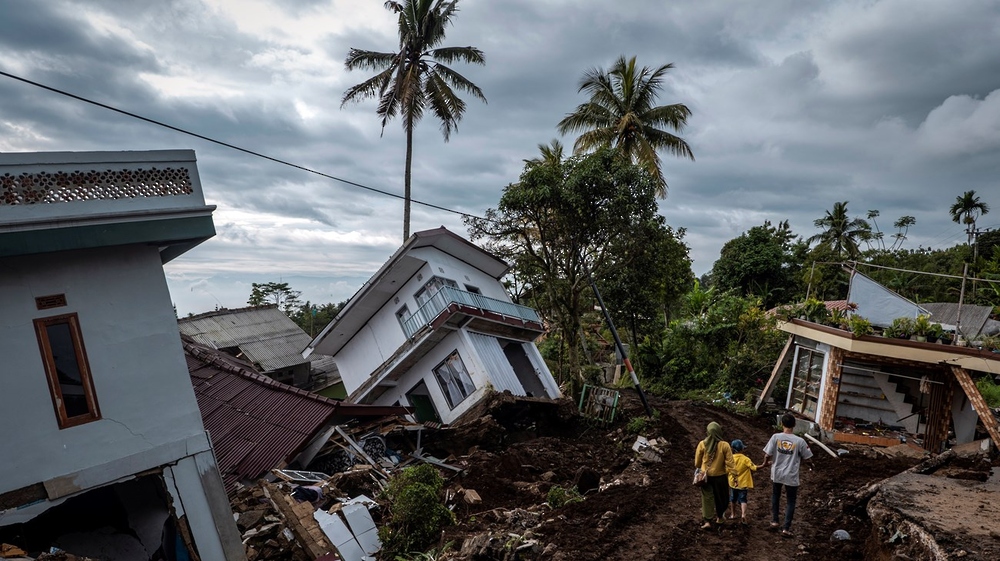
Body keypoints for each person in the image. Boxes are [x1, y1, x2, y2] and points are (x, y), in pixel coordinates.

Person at [762, 413, 814, 537]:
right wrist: (812, 465)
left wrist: (765, 463)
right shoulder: (800, 441)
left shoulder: (775, 437)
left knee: (776, 495)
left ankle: (774, 521)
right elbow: (808, 457)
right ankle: (786, 528)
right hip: (791, 475)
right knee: (791, 501)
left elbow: (767, 454)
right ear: (795, 425)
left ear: (782, 424)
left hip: (777, 473)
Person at [694, 421, 735, 529]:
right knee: (722, 498)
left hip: (705, 477)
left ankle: (707, 521)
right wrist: (734, 476)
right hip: (720, 477)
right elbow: (730, 463)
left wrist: (703, 467)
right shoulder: (724, 445)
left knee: (707, 498)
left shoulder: (702, 444)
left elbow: (697, 463)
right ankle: (720, 517)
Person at [726, 439, 761, 524]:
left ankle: (733, 514)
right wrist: (764, 465)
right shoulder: (746, 459)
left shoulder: (730, 459)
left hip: (733, 483)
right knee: (743, 500)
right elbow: (754, 468)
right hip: (743, 484)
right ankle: (743, 515)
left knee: (732, 499)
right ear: (742, 449)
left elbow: (726, 470)